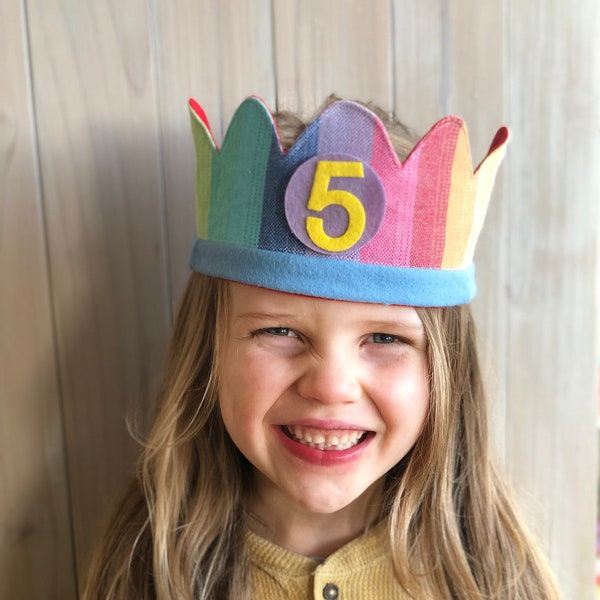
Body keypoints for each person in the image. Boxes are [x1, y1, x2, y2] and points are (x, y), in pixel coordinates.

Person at [82, 95, 561, 599]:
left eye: (384, 337)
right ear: (207, 351)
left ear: (447, 371)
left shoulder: (493, 578)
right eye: (280, 332)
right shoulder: (145, 568)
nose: (332, 387)